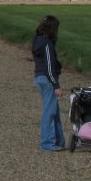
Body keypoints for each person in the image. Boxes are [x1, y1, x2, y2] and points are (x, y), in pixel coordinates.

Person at [32, 15, 65, 152]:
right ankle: (46, 143)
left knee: (54, 111)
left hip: (39, 77)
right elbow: (49, 67)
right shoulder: (46, 43)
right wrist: (56, 86)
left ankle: (59, 141)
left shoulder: (37, 40)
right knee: (49, 112)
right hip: (48, 80)